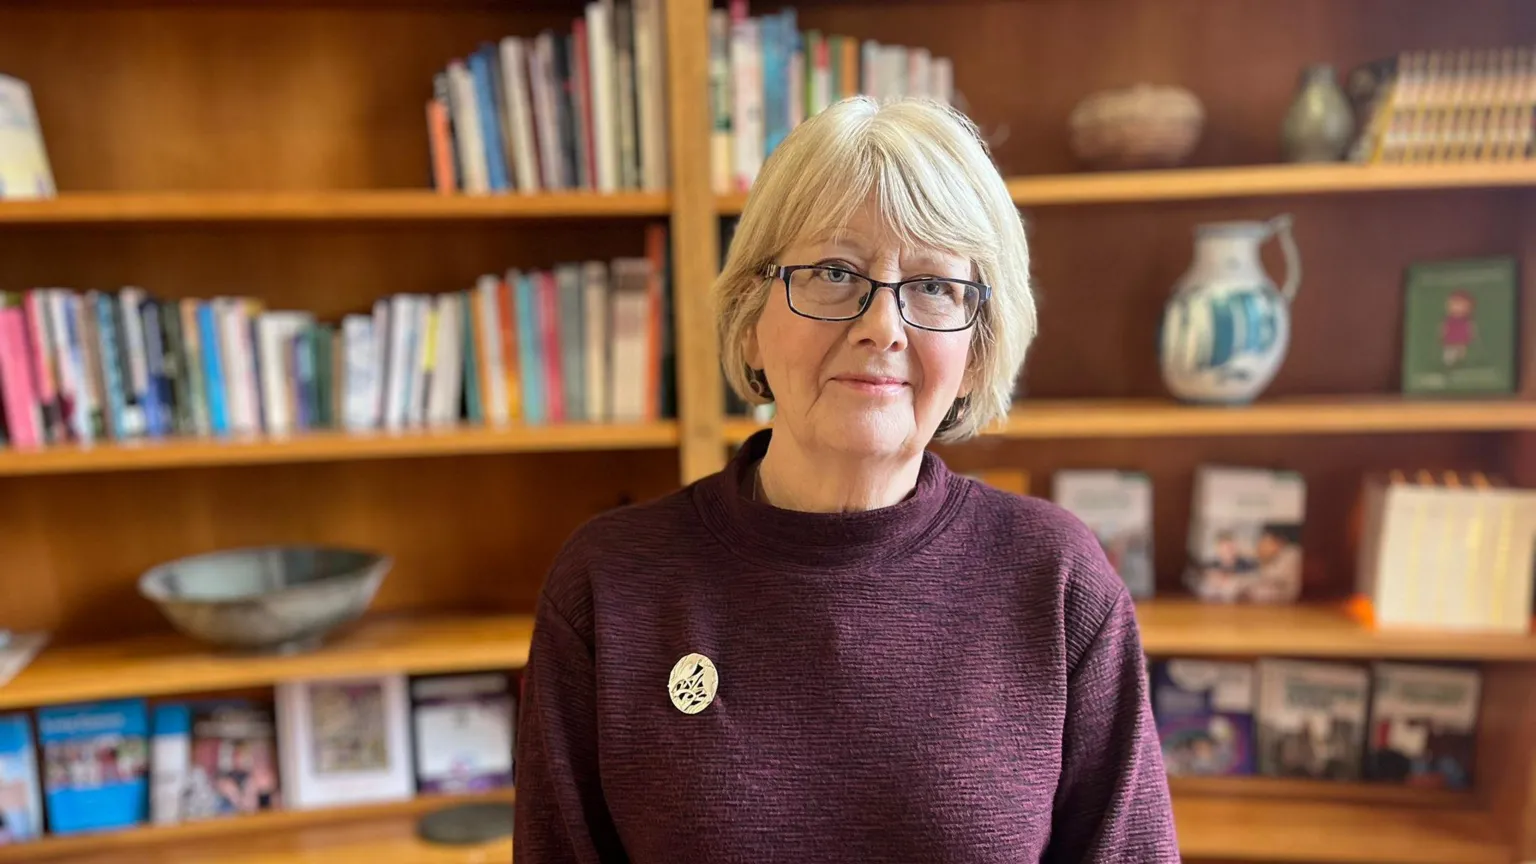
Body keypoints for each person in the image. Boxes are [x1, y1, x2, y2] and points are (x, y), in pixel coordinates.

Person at [514, 96, 1178, 863]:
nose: (883, 326)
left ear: (978, 352)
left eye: (934, 285)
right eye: (835, 271)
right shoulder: (608, 585)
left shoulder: (1057, 582)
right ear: (752, 317)